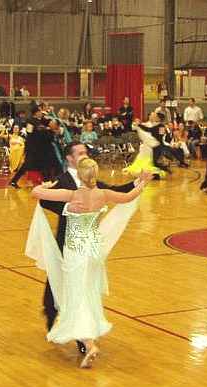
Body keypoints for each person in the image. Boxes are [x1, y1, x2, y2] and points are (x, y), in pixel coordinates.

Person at [30, 141, 153, 357]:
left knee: (75, 291)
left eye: (85, 153)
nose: (84, 155)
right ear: (70, 159)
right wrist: (141, 183)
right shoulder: (83, 187)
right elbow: (126, 197)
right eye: (80, 153)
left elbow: (37, 194)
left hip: (75, 248)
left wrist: (45, 188)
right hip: (92, 249)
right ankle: (75, 331)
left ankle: (84, 340)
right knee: (79, 290)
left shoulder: (75, 192)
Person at [10, 109, 63, 188]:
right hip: (32, 148)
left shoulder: (42, 120)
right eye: (39, 112)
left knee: (42, 166)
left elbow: (52, 124)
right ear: (36, 113)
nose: (41, 113)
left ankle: (48, 181)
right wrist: (41, 129)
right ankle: (14, 181)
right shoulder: (30, 121)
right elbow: (29, 132)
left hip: (40, 148)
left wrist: (48, 128)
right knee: (27, 165)